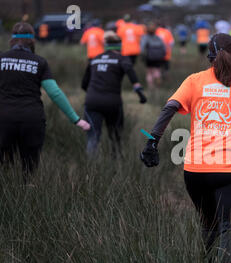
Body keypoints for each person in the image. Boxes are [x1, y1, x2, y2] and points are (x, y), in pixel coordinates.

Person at [140, 33, 231, 263]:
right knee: (230, 229)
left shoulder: (194, 80)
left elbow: (169, 108)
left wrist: (152, 142)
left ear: (209, 56)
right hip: (230, 169)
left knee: (208, 225)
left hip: (195, 170)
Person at [0, 22, 90, 175]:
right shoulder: (39, 62)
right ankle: (28, 193)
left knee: (4, 166)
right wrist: (76, 119)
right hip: (32, 120)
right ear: (32, 40)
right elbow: (55, 93)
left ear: (12, 40)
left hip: (3, 118)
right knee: (29, 168)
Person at [81, 31, 147, 158]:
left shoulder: (94, 59)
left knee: (93, 138)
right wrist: (139, 91)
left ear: (105, 45)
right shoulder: (122, 59)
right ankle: (116, 161)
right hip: (113, 103)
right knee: (115, 136)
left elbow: (84, 84)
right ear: (120, 46)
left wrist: (94, 93)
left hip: (92, 102)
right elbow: (131, 72)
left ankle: (89, 169)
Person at [141, 22, 166, 91]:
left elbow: (142, 48)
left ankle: (151, 87)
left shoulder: (145, 37)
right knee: (157, 71)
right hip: (158, 57)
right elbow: (164, 48)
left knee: (149, 72)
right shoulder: (158, 38)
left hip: (149, 57)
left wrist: (143, 56)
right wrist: (162, 56)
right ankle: (158, 87)